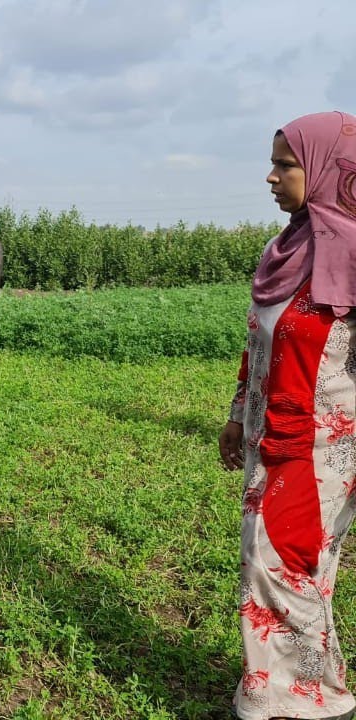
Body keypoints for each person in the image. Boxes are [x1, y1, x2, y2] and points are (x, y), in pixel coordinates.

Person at [220, 110, 356, 720]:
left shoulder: (352, 254)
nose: (270, 177)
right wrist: (235, 415)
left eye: (284, 164)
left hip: (319, 452)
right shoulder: (287, 248)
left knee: (281, 571)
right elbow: (262, 345)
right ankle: (294, 697)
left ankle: (310, 704)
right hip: (268, 437)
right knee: (289, 572)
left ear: (326, 169)